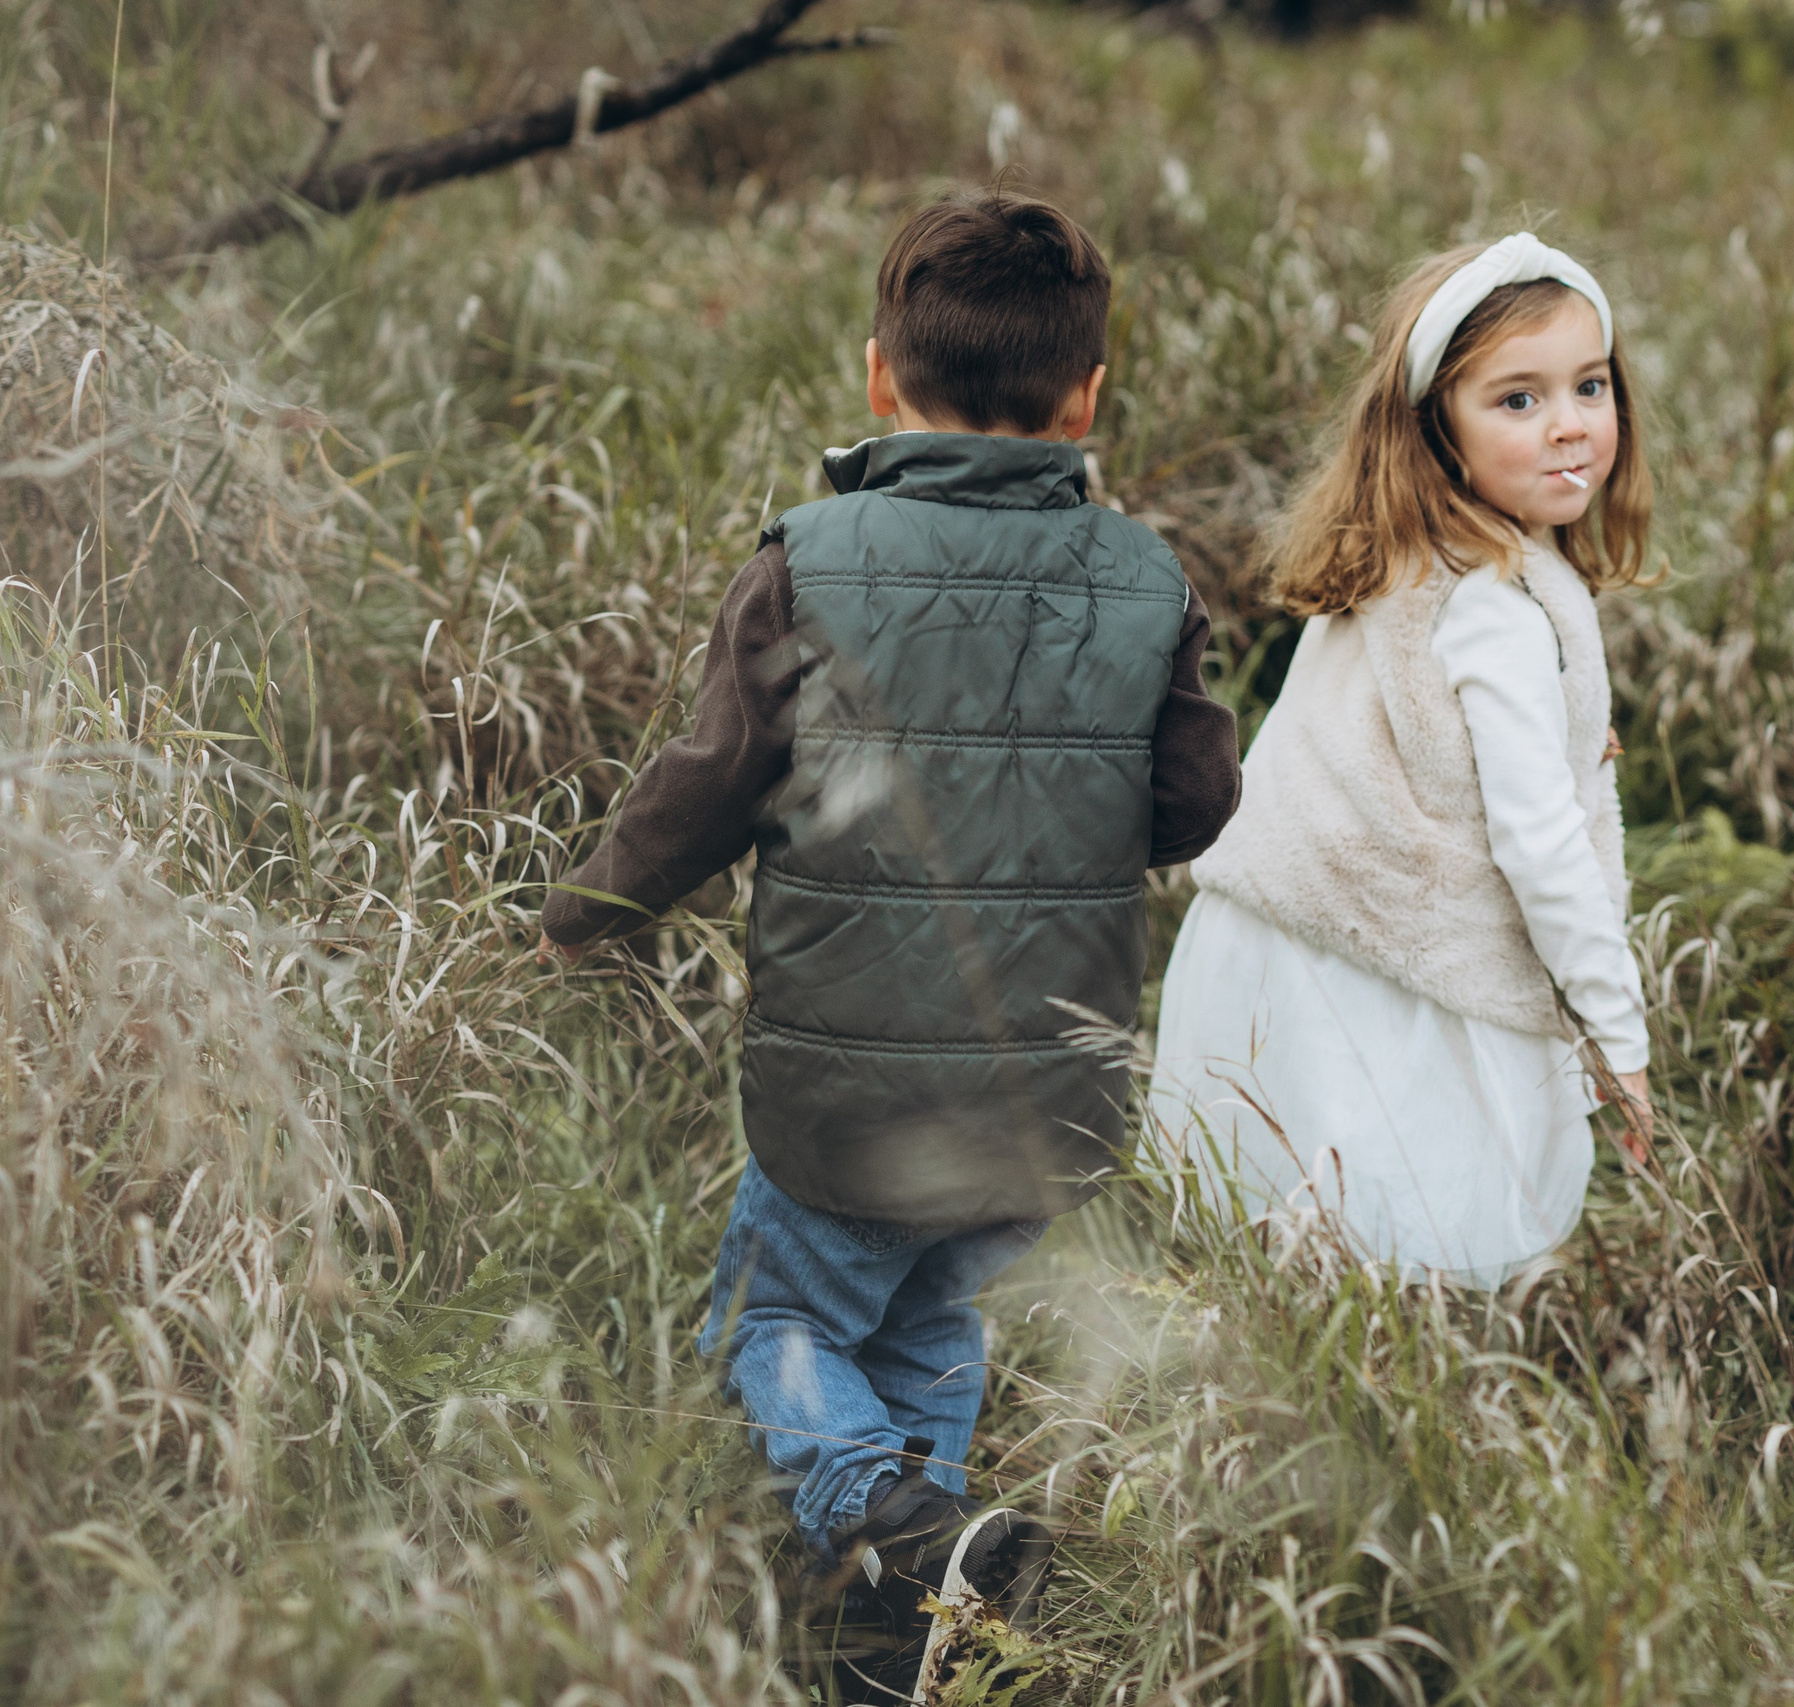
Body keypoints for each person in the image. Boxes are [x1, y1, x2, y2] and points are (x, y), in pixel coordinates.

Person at [538, 189, 1240, 1694]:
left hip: (840, 1100)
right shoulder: (1148, 579)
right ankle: (907, 1624)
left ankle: (881, 1512)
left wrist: (580, 915)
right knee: (932, 1326)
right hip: (1044, 1095)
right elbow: (1191, 806)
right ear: (1088, 397)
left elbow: (707, 789)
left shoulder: (811, 558)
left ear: (877, 375)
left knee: (770, 1316)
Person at [1152, 232, 1654, 1290]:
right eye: (1517, 400)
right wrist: (1616, 1026)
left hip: (1292, 928)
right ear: (1438, 432)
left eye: (1590, 385)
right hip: (1387, 968)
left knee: (1296, 1247)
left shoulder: (1410, 559)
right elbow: (1540, 844)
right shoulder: (1497, 607)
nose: (1569, 424)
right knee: (1413, 1235)